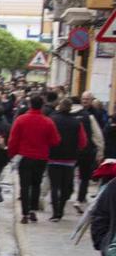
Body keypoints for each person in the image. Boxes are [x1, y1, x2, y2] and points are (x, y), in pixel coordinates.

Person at [8, 95, 60, 223]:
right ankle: (32, 210)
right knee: (36, 184)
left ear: (30, 104)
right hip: (41, 157)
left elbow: (13, 140)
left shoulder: (21, 120)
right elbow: (55, 141)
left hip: (24, 156)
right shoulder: (48, 121)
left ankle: (25, 214)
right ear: (42, 105)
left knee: (24, 185)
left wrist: (12, 154)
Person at [50, 97, 90, 222]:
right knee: (65, 187)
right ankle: (61, 211)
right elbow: (83, 142)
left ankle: (55, 213)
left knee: (54, 186)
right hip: (70, 159)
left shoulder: (52, 120)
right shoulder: (77, 123)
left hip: (53, 157)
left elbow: (48, 137)